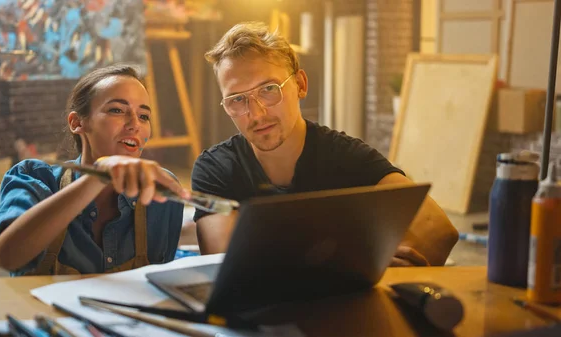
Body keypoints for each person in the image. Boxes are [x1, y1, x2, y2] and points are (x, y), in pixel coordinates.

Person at [191, 22, 459, 266]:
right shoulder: (216, 169)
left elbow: (437, 229)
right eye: (237, 99)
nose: (257, 113)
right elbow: (223, 267)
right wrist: (350, 261)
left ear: (300, 84)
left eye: (269, 89)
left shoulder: (343, 155)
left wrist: (385, 270)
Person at [0, 64, 190, 276]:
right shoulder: (34, 177)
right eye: (117, 110)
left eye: (144, 116)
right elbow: (6, 256)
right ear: (77, 122)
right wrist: (96, 177)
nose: (135, 124)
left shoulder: (160, 190)